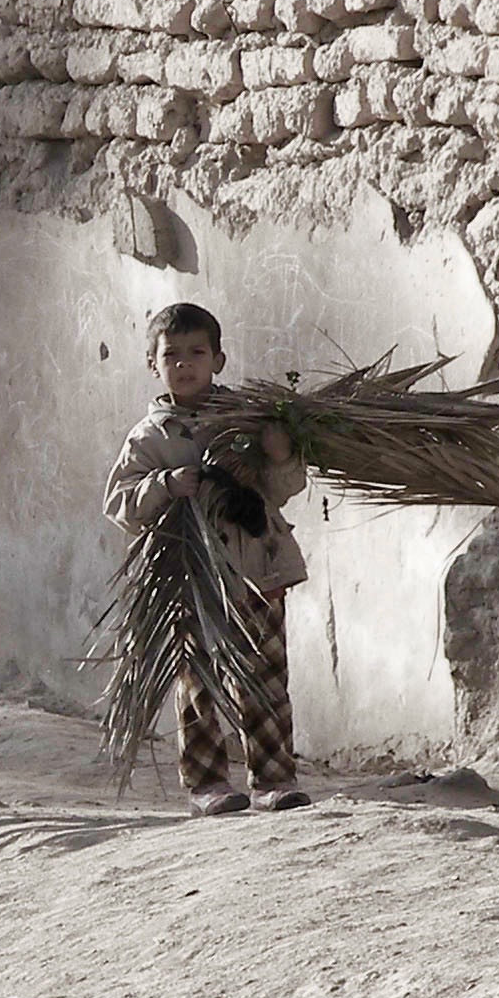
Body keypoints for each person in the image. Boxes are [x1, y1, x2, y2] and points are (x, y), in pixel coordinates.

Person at [103, 302, 314, 817]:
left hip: (257, 569)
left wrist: (281, 455)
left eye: (197, 353)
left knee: (267, 679)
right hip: (190, 580)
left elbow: (282, 490)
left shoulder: (246, 421)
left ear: (218, 360)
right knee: (199, 683)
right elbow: (119, 504)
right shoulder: (149, 437)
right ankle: (206, 784)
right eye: (170, 355)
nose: (184, 363)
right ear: (152, 364)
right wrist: (164, 484)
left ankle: (274, 779)